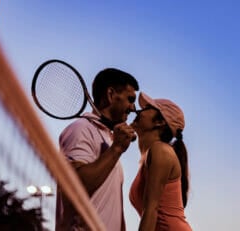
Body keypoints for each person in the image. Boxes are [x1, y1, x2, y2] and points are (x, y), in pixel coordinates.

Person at [55, 68, 139, 231]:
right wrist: (116, 149)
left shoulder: (108, 138)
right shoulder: (80, 129)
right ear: (110, 94)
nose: (133, 107)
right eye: (130, 99)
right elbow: (76, 187)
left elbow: (114, 207)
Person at [129, 92, 192, 231]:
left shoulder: (160, 151)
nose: (139, 111)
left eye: (146, 108)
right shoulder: (150, 156)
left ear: (160, 122)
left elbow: (151, 210)